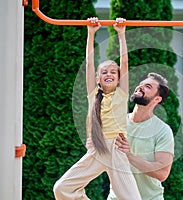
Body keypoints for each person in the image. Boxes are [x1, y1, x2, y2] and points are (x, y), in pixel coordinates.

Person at [53, 17, 141, 200]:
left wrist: (121, 34)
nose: (109, 74)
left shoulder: (121, 94)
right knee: (61, 188)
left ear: (118, 78)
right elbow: (89, 64)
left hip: (116, 148)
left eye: (113, 72)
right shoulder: (93, 95)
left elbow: (124, 63)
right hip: (98, 148)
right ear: (98, 78)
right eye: (104, 72)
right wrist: (90, 34)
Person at [87, 72, 175, 199]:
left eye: (148, 87)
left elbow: (162, 173)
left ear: (157, 99)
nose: (140, 87)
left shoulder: (162, 131)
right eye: (141, 84)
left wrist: (128, 155)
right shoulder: (115, 122)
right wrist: (94, 146)